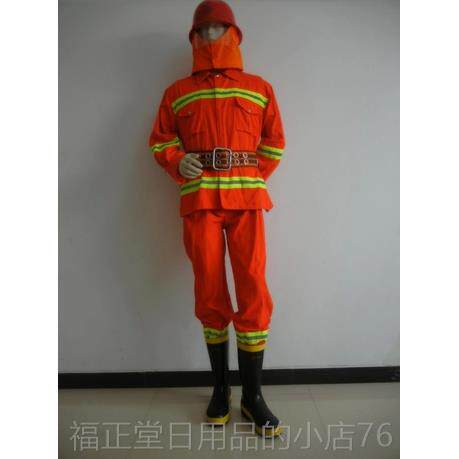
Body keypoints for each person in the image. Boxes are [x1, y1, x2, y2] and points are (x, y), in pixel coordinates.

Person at [148, 0, 286, 437]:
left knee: (253, 287)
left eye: (218, 28)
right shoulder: (176, 93)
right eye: (203, 29)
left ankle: (253, 396)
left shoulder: (259, 88)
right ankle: (221, 390)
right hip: (200, 200)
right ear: (193, 38)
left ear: (234, 35)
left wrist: (251, 175)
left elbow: (275, 142)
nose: (210, 36)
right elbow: (160, 141)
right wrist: (177, 160)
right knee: (209, 290)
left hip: (246, 202)